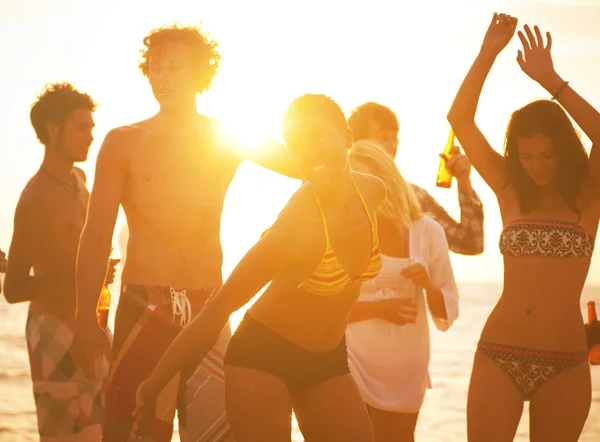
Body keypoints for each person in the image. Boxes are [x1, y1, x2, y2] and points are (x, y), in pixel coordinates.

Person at [71, 24, 300, 442]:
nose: (162, 78)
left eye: (174, 68)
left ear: (200, 74)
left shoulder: (227, 137)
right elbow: (95, 236)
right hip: (144, 306)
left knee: (215, 434)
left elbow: (303, 165)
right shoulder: (123, 142)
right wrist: (85, 318)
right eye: (155, 68)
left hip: (209, 308)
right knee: (132, 433)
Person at [131, 93, 386, 442]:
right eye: (299, 144)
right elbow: (218, 308)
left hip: (328, 359)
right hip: (262, 358)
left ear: (348, 137)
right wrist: (150, 386)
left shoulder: (372, 191)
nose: (311, 151)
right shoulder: (295, 227)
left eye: (321, 138)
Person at [447, 13, 600, 442]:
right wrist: (488, 52)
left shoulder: (588, 198)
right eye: (527, 157)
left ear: (564, 151)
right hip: (500, 352)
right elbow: (460, 119)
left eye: (547, 156)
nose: (537, 168)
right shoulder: (508, 187)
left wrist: (552, 81)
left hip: (565, 362)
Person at [2, 82, 118, 442]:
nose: (90, 136)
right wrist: (81, 277)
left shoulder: (79, 180)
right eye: (81, 127)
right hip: (53, 331)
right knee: (65, 438)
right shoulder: (35, 197)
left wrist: (96, 273)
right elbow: (14, 288)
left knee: (104, 432)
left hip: (92, 325)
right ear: (53, 129)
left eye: (92, 128)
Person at [346, 140, 459, 441]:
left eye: (368, 180)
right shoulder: (343, 230)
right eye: (354, 181)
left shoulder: (427, 232)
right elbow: (320, 311)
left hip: (404, 369)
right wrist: (376, 309)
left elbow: (447, 310)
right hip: (350, 361)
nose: (361, 190)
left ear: (387, 181)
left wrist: (426, 283)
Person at [348, 102, 485, 256]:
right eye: (382, 138)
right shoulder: (338, 194)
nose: (392, 146)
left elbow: (470, 243)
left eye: (395, 138)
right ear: (355, 144)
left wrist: (464, 181)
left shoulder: (412, 197)